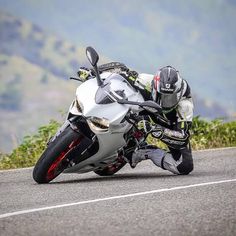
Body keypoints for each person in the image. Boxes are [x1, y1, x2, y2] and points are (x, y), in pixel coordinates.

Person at [77, 63, 194, 175]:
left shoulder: (185, 106)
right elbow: (121, 70)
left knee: (184, 166)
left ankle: (145, 151)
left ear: (178, 93)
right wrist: (92, 73)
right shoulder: (146, 81)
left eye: (170, 98)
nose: (165, 101)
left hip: (169, 125)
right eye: (162, 95)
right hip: (146, 108)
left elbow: (183, 138)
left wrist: (155, 129)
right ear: (155, 87)